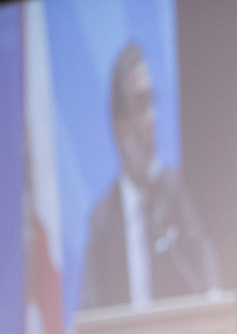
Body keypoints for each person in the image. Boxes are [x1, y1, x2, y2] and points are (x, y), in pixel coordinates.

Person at [79, 43, 219, 311]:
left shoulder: (173, 192)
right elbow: (88, 312)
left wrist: (214, 296)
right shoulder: (102, 221)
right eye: (141, 105)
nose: (153, 119)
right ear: (119, 125)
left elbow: (204, 260)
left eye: (153, 103)